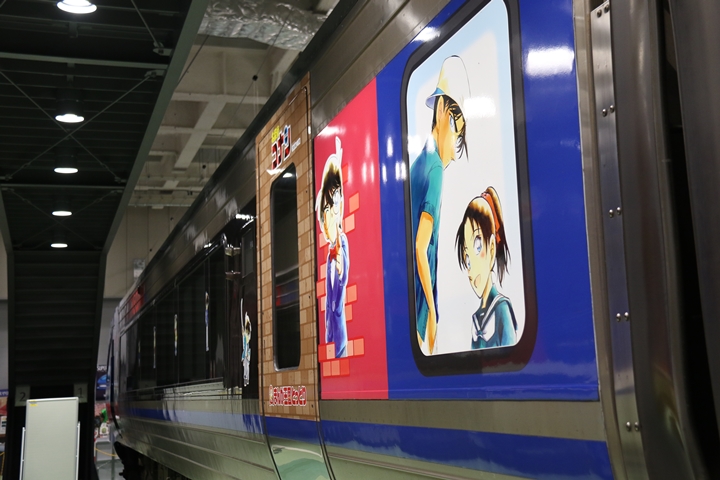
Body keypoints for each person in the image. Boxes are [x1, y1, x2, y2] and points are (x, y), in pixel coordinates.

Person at [410, 55, 470, 354]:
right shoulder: (434, 170)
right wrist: (433, 313)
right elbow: (421, 247)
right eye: (459, 131)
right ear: (445, 111)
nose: (457, 148)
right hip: (421, 305)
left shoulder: (419, 163)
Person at [454, 188, 517, 349]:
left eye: (477, 247)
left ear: (491, 248)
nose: (471, 269)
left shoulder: (502, 308)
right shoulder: (476, 318)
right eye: (467, 259)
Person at [316, 137, 349, 358]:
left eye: (334, 205)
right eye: (326, 211)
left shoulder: (342, 244)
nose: (329, 215)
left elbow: (343, 274)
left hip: (340, 339)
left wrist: (339, 261)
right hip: (330, 334)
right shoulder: (329, 256)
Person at [242, 312, 252, 387]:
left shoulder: (246, 335)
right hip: (247, 352)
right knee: (246, 366)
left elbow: (245, 346)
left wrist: (243, 356)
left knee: (246, 367)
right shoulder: (247, 334)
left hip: (246, 353)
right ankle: (246, 379)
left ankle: (246, 379)